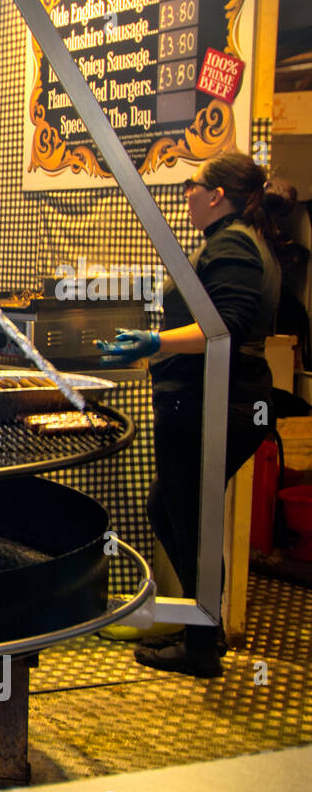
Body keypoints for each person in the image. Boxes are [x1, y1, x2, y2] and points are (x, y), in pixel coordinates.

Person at [97, 151, 287, 676]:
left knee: (187, 515)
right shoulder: (240, 242)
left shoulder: (232, 246)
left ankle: (202, 645)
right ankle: (202, 629)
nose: (185, 195)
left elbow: (221, 327)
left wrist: (155, 341)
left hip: (218, 401)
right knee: (177, 509)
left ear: (216, 195)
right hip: (221, 398)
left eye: (190, 185)